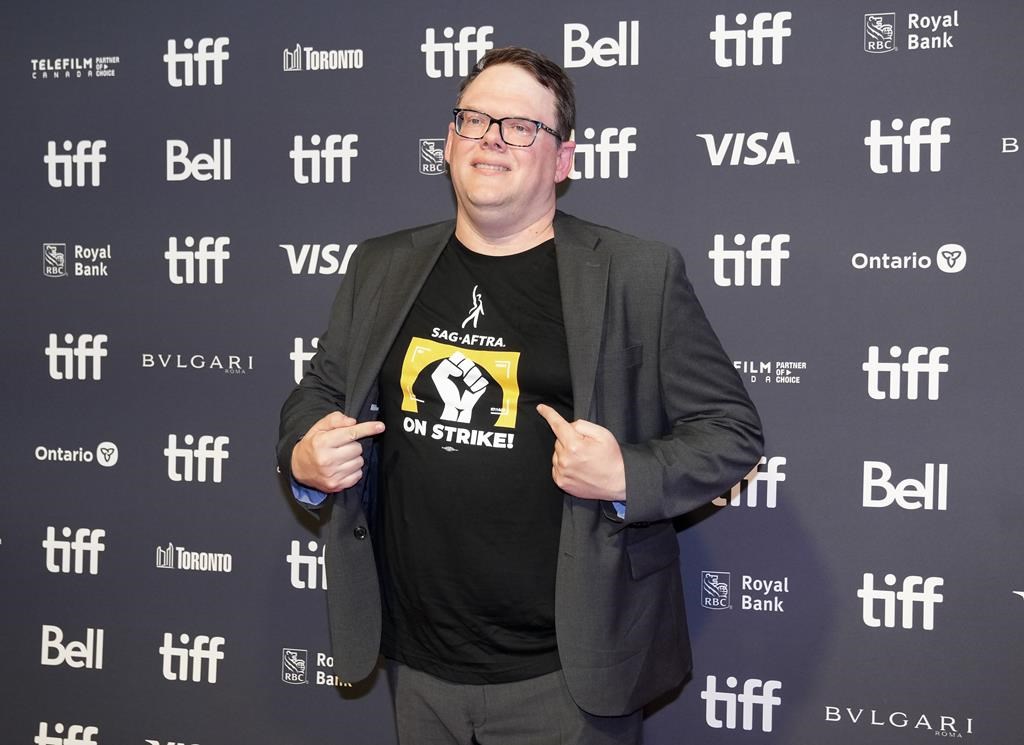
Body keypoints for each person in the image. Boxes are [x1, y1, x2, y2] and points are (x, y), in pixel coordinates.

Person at [277, 46, 763, 745]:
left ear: (563, 160)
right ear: (449, 142)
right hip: (416, 657)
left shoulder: (638, 274)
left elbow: (730, 430)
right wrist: (305, 455)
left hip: (566, 671)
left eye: (520, 127)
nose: (491, 139)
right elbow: (321, 389)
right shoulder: (381, 265)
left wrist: (625, 474)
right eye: (473, 120)